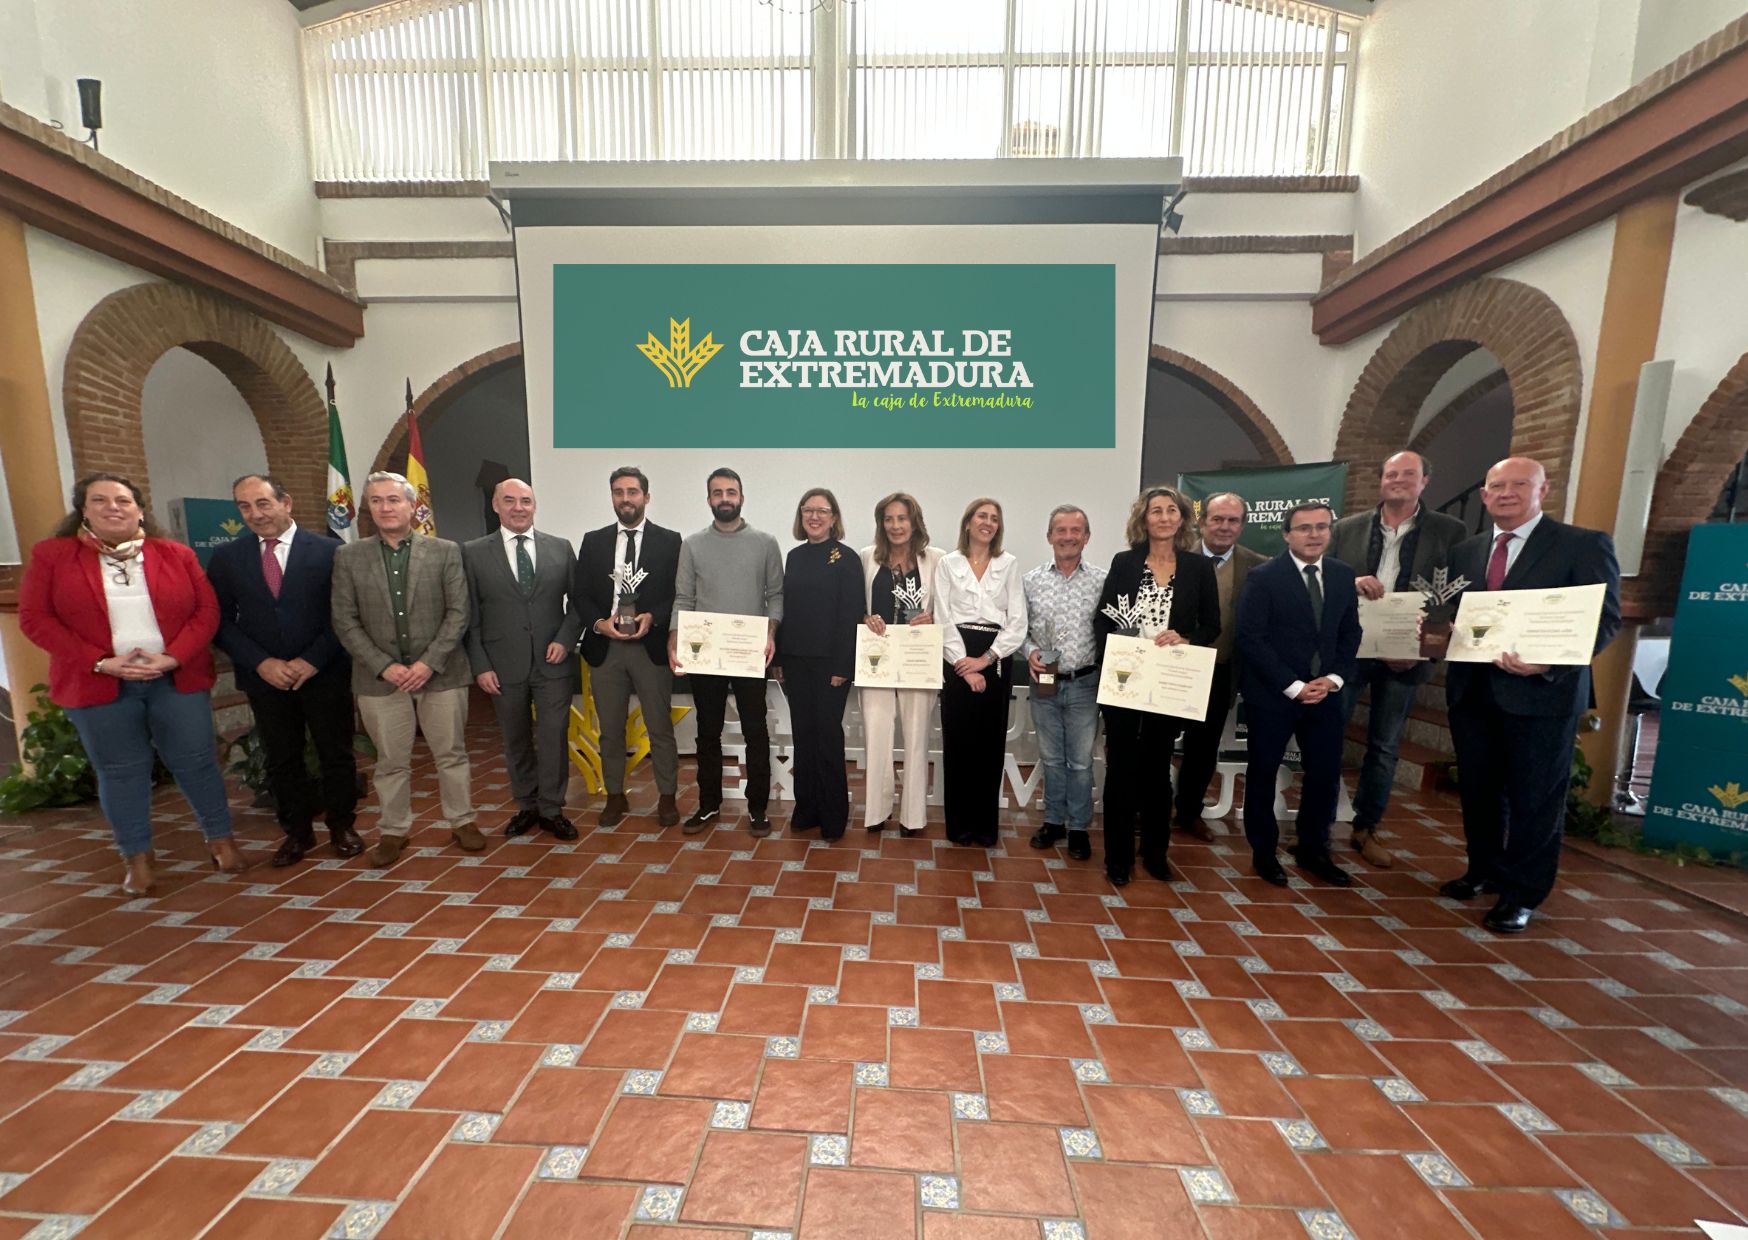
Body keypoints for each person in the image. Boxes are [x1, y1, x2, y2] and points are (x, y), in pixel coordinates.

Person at [19, 473, 243, 895]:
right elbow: (36, 619)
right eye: (99, 500)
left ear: (140, 508)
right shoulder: (53, 556)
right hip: (98, 683)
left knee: (197, 762)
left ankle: (221, 839)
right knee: (121, 772)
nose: (113, 507)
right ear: (82, 509)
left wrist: (174, 656)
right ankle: (137, 858)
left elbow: (206, 611)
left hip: (174, 678)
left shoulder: (175, 554)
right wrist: (101, 662)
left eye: (123, 500)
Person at [1440, 455, 1621, 934]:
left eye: (1519, 484)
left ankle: (1521, 894)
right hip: (1475, 691)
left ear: (1543, 490)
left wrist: (1551, 662)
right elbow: (1463, 616)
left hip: (1542, 694)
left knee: (1534, 799)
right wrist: (1439, 632)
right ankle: (1483, 870)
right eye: (1497, 486)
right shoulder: (1468, 551)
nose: (1507, 493)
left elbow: (1604, 620)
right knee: (1479, 791)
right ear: (1484, 495)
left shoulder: (1581, 545)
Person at [207, 473, 361, 868]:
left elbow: (344, 614)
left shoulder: (331, 551)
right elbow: (220, 621)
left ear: (285, 503)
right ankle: (297, 832)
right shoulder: (228, 558)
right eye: (244, 506)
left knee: (336, 753)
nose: (255, 514)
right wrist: (261, 662)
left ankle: (342, 825)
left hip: (323, 671)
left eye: (263, 503)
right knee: (282, 757)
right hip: (266, 677)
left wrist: (312, 659)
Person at [331, 471, 479, 867]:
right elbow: (344, 619)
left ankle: (462, 820)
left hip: (441, 673)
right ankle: (394, 829)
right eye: (376, 501)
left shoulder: (446, 551)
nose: (385, 507)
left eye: (393, 500)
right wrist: (386, 667)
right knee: (390, 760)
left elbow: (458, 612)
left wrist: (428, 662)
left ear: (413, 506)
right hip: (380, 680)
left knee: (451, 752)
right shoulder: (348, 556)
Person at [1328, 451, 1467, 869]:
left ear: (1425, 481)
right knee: (1328, 736)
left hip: (1406, 655)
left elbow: (1456, 595)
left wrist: (1422, 649)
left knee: (1384, 746)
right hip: (1350, 650)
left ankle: (1366, 827)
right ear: (1381, 480)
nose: (1399, 480)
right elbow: (1325, 577)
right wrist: (1350, 581)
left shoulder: (1450, 531)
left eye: (1409, 474)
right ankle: (1317, 822)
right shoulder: (1346, 529)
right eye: (1391, 474)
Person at [1093, 487, 1220, 886]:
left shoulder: (1199, 569)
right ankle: (1118, 856)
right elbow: (1103, 620)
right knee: (1121, 769)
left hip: (1170, 682)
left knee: (1158, 769)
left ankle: (1155, 852)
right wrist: (1117, 658)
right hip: (1126, 681)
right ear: (1143, 519)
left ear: (1182, 518)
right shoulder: (1125, 563)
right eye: (1155, 511)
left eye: (1171, 511)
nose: (1163, 517)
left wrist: (1185, 640)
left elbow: (1211, 625)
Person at [1236, 501, 1361, 888]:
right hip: (1274, 695)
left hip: (1326, 693)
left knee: (1324, 774)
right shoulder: (1263, 577)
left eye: (1321, 527)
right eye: (1304, 528)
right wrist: (1293, 685)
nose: (1314, 534)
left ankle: (1313, 849)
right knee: (1263, 773)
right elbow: (1251, 639)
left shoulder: (1342, 575)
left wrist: (1335, 678)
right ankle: (1264, 852)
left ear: (1330, 532)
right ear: (1287, 534)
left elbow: (1349, 632)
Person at [462, 479, 583, 842]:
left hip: (553, 662)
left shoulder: (560, 549)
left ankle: (552, 808)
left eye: (526, 501)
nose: (518, 507)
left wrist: (565, 640)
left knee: (553, 737)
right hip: (501, 665)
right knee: (515, 739)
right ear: (496, 506)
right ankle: (526, 805)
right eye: (509, 500)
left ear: (535, 506)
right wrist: (480, 665)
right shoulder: (472, 552)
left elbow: (578, 604)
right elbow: (469, 615)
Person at [669, 467, 784, 837]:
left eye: (730, 492)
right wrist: (675, 638)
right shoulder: (693, 544)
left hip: (750, 652)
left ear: (741, 497)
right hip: (706, 656)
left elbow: (776, 596)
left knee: (756, 731)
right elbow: (684, 598)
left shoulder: (765, 543)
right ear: (708, 500)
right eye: (717, 493)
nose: (724, 499)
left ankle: (758, 808)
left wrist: (771, 631)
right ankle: (708, 804)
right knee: (707, 731)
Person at [574, 466, 682, 829]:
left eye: (633, 492)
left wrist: (655, 617)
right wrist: (598, 623)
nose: (626, 499)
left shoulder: (670, 541)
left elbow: (677, 595)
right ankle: (615, 796)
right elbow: (581, 594)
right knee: (610, 729)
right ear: (612, 497)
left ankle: (667, 797)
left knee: (659, 727)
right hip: (607, 648)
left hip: (650, 648)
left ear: (646, 497)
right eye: (618, 492)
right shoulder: (594, 541)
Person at [934, 497, 1027, 848]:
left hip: (996, 659)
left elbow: (1017, 621)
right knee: (959, 745)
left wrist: (985, 660)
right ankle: (959, 827)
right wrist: (964, 665)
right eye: (981, 516)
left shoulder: (1009, 563)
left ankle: (985, 827)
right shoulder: (948, 563)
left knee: (989, 746)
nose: (987, 522)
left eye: (994, 518)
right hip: (956, 656)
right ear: (968, 522)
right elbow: (942, 617)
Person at [1174, 492, 1265, 842]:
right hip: (1174, 668)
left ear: (1242, 525)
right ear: (1201, 521)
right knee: (1156, 742)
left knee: (1203, 748)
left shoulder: (1258, 565)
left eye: (1233, 520)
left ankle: (1188, 813)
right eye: (1217, 519)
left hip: (1221, 670)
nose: (1225, 527)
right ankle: (1147, 808)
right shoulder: (1176, 559)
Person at [776, 488, 865, 841]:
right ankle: (806, 808)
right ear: (801, 516)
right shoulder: (794, 557)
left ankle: (833, 815)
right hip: (795, 662)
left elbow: (850, 614)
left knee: (828, 738)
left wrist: (844, 665)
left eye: (822, 511)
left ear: (834, 517)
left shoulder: (846, 558)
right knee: (803, 736)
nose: (814, 516)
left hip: (832, 665)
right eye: (808, 510)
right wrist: (779, 659)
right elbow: (787, 612)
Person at [1022, 505, 1106, 862]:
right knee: (1052, 759)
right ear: (1049, 536)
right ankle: (1054, 821)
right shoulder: (1031, 581)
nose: (1068, 536)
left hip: (1085, 682)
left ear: (1086, 537)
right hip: (1044, 679)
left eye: (1076, 530)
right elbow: (1020, 630)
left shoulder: (1102, 581)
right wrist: (1029, 652)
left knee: (1081, 762)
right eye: (1061, 530)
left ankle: (1078, 828)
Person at [858, 492, 944, 839]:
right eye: (889, 519)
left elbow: (948, 608)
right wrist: (865, 617)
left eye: (902, 519)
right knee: (876, 735)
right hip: (876, 660)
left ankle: (913, 816)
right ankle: (877, 811)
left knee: (916, 736)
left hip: (917, 660)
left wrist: (932, 617)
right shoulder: (867, 557)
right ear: (881, 524)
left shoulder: (936, 560)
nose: (895, 526)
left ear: (914, 522)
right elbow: (855, 604)